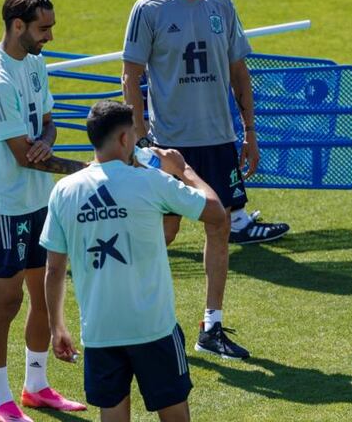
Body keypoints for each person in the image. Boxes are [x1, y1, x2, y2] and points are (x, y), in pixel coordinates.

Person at [42, 100, 232, 422]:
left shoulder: (64, 192)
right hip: (153, 328)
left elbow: (55, 269)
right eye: (133, 132)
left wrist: (57, 326)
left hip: (100, 331)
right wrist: (184, 170)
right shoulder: (152, 182)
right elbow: (215, 213)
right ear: (123, 139)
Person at [123, 0, 263, 359]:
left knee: (218, 224)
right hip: (173, 146)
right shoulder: (149, 10)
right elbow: (131, 75)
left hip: (219, 141)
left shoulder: (222, 5)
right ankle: (131, 312)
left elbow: (239, 71)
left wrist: (249, 132)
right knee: (163, 231)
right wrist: (141, 139)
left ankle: (211, 325)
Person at [149, 0, 290, 240]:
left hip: (195, 43)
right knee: (199, 135)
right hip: (188, 54)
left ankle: (234, 215)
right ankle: (229, 219)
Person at [0, 0, 89, 422]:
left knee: (43, 295)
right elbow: (21, 156)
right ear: (17, 26)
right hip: (7, 207)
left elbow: (49, 121)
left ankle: (35, 387)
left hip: (41, 200)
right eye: (43, 28)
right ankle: (0, 401)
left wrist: (46, 141)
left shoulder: (35, 63)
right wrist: (89, 169)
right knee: (7, 303)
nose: (50, 37)